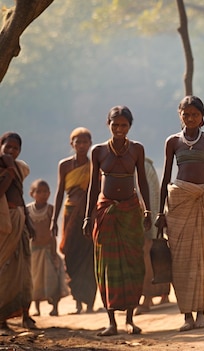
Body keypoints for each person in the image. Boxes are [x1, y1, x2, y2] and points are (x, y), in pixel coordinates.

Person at [155, 96, 204, 332]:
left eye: (195, 114)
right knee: (181, 262)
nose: (190, 118)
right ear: (180, 115)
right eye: (186, 114)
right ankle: (186, 316)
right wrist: (160, 212)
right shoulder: (173, 142)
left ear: (202, 116)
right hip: (178, 203)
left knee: (200, 260)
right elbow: (165, 177)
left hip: (203, 200)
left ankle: (201, 312)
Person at [82, 106, 150, 336]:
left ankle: (130, 319)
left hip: (131, 211)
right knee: (107, 266)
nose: (119, 129)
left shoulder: (137, 149)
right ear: (108, 124)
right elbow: (93, 186)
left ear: (130, 126)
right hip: (105, 211)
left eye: (124, 125)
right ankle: (111, 320)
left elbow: (142, 181)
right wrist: (87, 216)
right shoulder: (98, 151)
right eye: (115, 125)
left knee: (133, 264)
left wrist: (148, 211)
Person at [50, 127, 97, 314]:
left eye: (85, 142)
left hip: (88, 215)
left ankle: (90, 302)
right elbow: (60, 192)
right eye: (78, 142)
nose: (82, 145)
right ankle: (77, 301)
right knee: (71, 256)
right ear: (72, 144)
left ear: (90, 144)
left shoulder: (95, 164)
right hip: (70, 214)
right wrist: (54, 219)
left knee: (89, 257)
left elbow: (97, 190)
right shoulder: (64, 165)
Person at [0, 132, 36, 335]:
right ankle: (2, 319)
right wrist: (9, 169)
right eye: (8, 147)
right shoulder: (7, 167)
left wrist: (29, 222)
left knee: (23, 272)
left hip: (20, 221)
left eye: (15, 148)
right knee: (5, 271)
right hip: (4, 223)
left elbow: (20, 196)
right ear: (1, 146)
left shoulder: (19, 168)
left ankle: (25, 314)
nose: (11, 151)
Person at [27, 179, 69, 317]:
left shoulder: (51, 209)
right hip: (33, 251)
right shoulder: (28, 210)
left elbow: (53, 232)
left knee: (52, 279)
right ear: (31, 193)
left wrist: (53, 251)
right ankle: (37, 308)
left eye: (45, 192)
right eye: (39, 192)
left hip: (48, 250)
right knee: (35, 281)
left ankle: (55, 307)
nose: (43, 194)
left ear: (50, 193)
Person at [135, 157, 170, 315]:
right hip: (145, 216)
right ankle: (160, 294)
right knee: (152, 253)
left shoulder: (141, 167)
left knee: (146, 253)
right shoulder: (145, 166)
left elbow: (147, 196)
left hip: (144, 217)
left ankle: (147, 298)